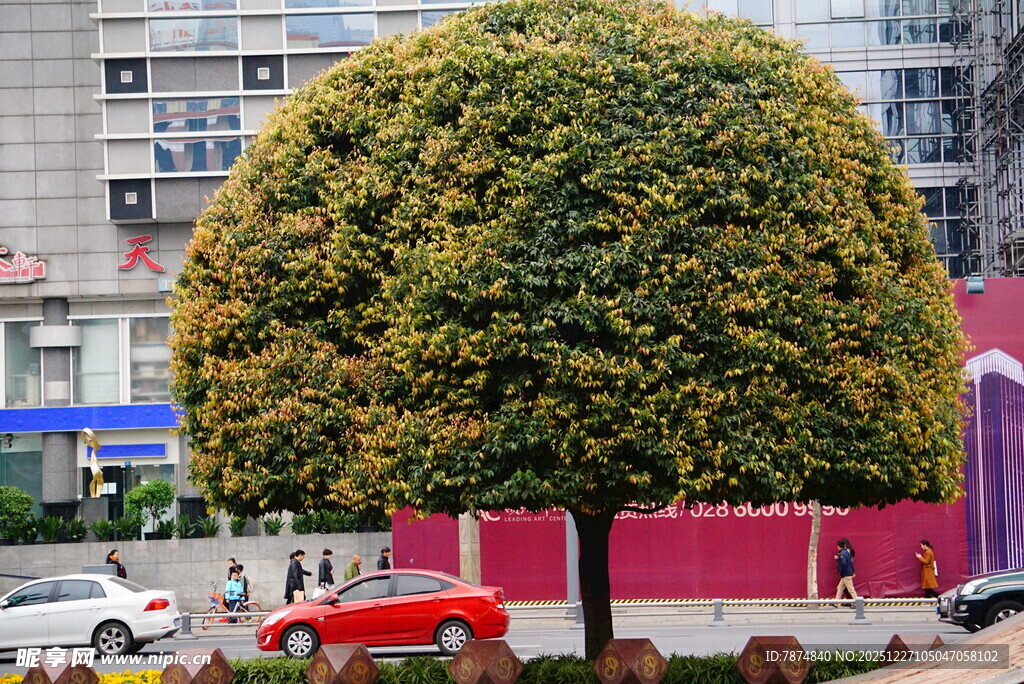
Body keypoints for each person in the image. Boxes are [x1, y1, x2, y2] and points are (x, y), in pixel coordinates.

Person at [834, 539, 857, 605]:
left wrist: (841, 571)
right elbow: (850, 562)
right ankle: (836, 602)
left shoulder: (842, 554)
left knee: (851, 590)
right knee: (840, 588)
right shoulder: (847, 552)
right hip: (847, 573)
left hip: (845, 574)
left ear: (838, 546)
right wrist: (853, 571)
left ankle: (858, 603)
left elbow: (843, 564)